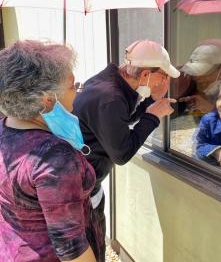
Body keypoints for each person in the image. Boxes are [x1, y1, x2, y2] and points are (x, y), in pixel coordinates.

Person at [73, 39, 179, 257]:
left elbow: (121, 119)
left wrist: (150, 103)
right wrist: (153, 116)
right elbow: (122, 153)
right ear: (146, 75)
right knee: (93, 250)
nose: (166, 80)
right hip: (81, 190)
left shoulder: (111, 82)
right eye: (164, 75)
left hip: (85, 177)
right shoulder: (110, 97)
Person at [0, 40, 103, 261]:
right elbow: (72, 250)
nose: (77, 92)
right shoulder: (54, 158)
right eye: (73, 86)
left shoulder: (4, 128)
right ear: (48, 100)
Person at [172, 39, 221, 117]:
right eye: (193, 71)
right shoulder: (179, 78)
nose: (197, 77)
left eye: (204, 72)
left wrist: (211, 109)